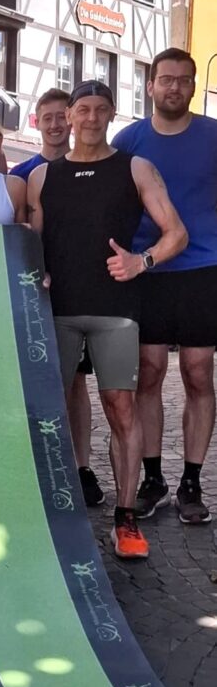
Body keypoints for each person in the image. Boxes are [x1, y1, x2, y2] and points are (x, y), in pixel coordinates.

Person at [28, 80, 187, 559]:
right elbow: (32, 243)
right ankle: (52, 513)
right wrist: (38, 271)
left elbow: (176, 234)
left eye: (100, 109)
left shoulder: (135, 168)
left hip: (115, 309)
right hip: (57, 311)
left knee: (121, 409)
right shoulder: (42, 176)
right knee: (50, 414)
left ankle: (125, 518)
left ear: (112, 114)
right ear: (69, 117)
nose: (91, 118)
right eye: (83, 109)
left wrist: (142, 261)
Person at [113, 48, 217, 525]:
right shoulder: (128, 140)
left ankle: (191, 482)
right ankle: (152, 478)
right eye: (166, 79)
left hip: (204, 269)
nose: (174, 87)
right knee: (149, 372)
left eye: (183, 80)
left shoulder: (213, 136)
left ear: (193, 86)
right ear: (150, 85)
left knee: (198, 372)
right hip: (147, 271)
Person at [13, 88, 105, 509]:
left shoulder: (96, 166)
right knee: (39, 381)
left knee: (77, 384)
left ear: (69, 120)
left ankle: (81, 467)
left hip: (80, 292)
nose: (53, 124)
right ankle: (42, 468)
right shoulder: (24, 175)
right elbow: (20, 233)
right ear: (37, 122)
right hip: (36, 292)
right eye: (45, 117)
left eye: (58, 117)